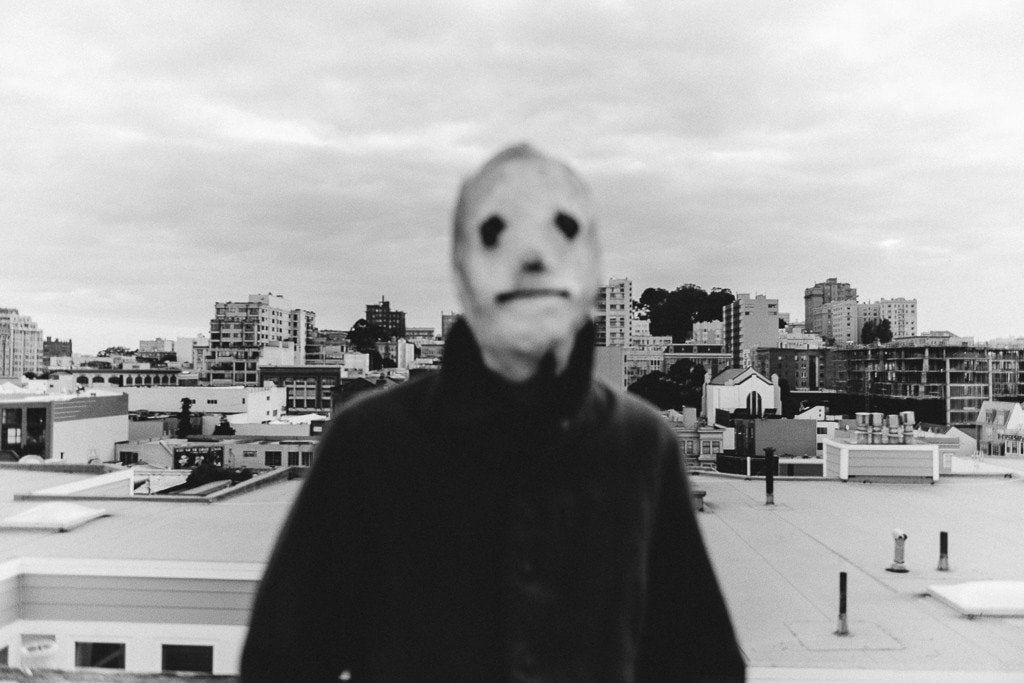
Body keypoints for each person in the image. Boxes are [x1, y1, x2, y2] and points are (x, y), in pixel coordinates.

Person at [240, 144, 745, 681]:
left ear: (594, 268)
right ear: (461, 270)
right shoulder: (369, 442)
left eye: (564, 229)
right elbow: (283, 658)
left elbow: (701, 661)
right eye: (494, 231)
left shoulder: (643, 445)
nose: (531, 257)